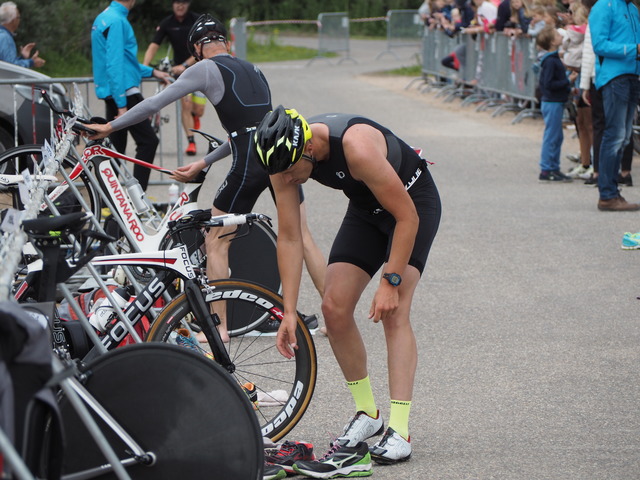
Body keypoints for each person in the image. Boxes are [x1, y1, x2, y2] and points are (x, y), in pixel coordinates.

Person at [85, 15, 326, 340]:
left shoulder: (204, 68)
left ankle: (220, 328)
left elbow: (156, 102)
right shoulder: (252, 69)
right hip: (278, 157)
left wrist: (110, 127)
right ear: (225, 41)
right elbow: (256, 129)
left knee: (216, 241)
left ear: (198, 48)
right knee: (304, 238)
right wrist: (205, 161)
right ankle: (333, 316)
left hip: (250, 163)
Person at [254, 106, 441, 471]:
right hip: (367, 210)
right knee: (334, 309)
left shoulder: (356, 147)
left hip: (412, 207)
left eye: (292, 171)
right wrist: (288, 311)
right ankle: (368, 413)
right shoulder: (282, 163)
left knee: (395, 311)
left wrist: (391, 281)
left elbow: (407, 218)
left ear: (308, 147)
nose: (289, 180)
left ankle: (400, 431)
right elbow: (290, 238)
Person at [91, 0, 171, 191]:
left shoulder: (105, 17)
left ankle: (110, 200)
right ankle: (137, 199)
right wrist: (122, 105)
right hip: (123, 93)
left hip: (115, 91)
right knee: (149, 141)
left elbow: (124, 61)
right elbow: (115, 63)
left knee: (117, 148)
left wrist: (152, 72)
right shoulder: (117, 21)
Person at [589, 0, 640, 211]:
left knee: (624, 136)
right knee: (616, 135)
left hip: (632, 76)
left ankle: (612, 192)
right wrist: (632, 49)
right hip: (614, 76)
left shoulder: (633, 8)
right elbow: (599, 44)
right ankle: (607, 194)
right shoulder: (603, 6)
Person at [142, 0, 205, 157]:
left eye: (183, 2)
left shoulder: (196, 20)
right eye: (177, 2)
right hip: (180, 73)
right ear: (172, 4)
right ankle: (191, 142)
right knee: (186, 105)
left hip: (198, 67)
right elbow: (154, 45)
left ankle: (194, 117)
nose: (180, 6)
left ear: (188, 4)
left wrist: (185, 64)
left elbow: (202, 47)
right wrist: (145, 66)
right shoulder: (167, 23)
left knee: (199, 110)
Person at [536, 26, 572, 182]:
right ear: (552, 41)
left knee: (557, 136)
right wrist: (567, 81)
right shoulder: (550, 61)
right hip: (552, 101)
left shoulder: (554, 58)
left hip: (556, 100)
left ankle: (554, 167)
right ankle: (546, 168)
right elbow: (549, 83)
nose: (560, 36)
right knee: (552, 136)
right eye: (557, 34)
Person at [0, 1, 44, 68]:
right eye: (18, 17)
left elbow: (5, 62)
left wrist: (23, 57)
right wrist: (31, 62)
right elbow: (11, 67)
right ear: (13, 20)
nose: (19, 20)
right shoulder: (6, 38)